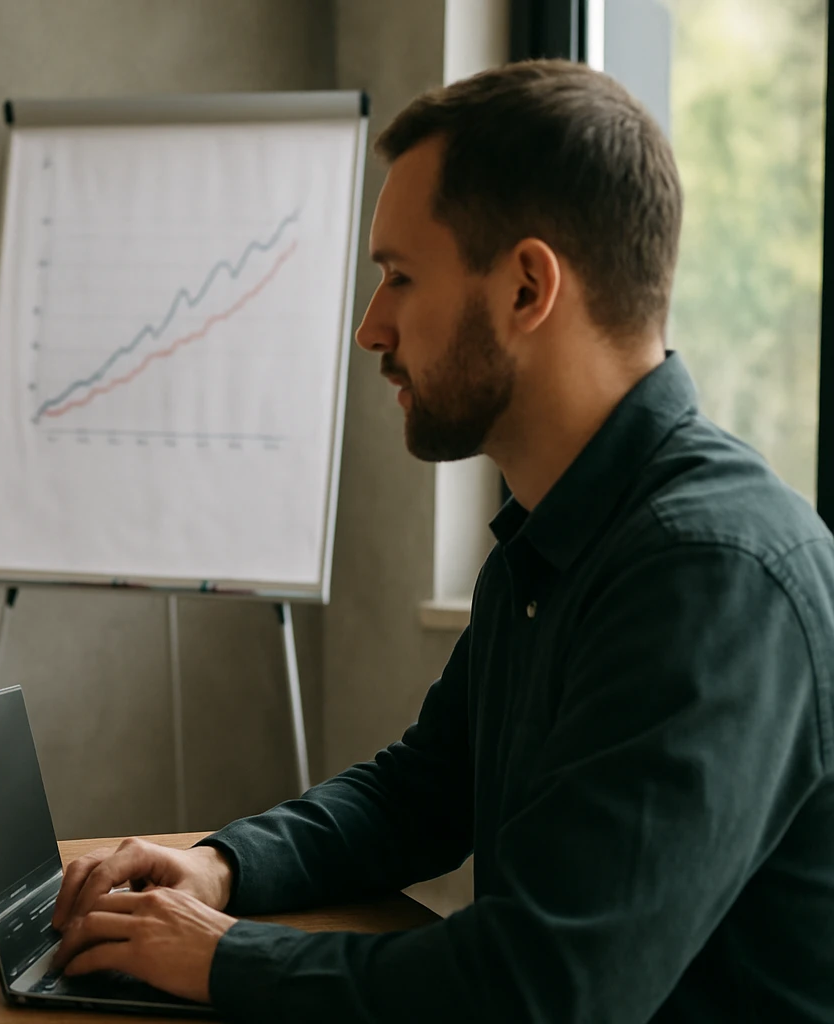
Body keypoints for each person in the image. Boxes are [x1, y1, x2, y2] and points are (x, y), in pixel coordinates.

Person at [48, 60, 834, 1021]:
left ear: (527, 288)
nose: (370, 329)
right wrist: (219, 867)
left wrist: (223, 961)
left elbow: (544, 988)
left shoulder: (712, 574)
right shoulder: (556, 537)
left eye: (400, 277)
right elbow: (423, 793)